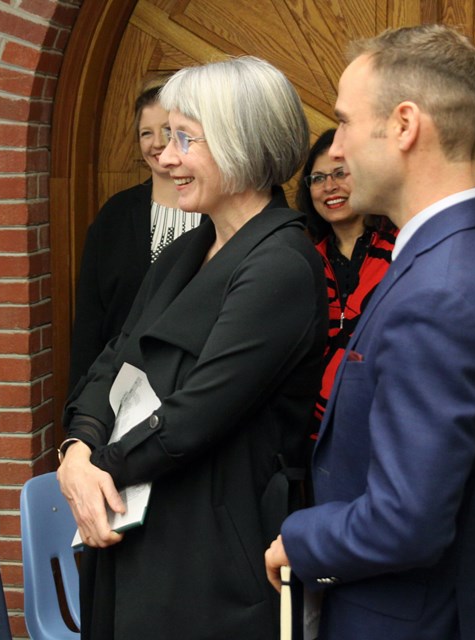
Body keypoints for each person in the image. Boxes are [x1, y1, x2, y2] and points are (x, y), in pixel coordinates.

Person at [265, 25, 475, 640]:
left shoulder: (437, 293)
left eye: (343, 121)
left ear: (404, 125)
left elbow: (405, 523)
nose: (334, 148)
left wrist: (300, 539)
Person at [57, 57, 326, 639]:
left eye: (185, 139)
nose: (166, 156)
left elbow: (193, 416)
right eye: (166, 136)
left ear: (241, 144)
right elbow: (115, 358)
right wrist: (77, 447)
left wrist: (94, 468)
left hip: (210, 561)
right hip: (136, 531)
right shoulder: (190, 248)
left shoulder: (281, 265)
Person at [68, 82, 201, 393]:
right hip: (121, 386)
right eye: (146, 133)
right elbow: (90, 319)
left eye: (168, 130)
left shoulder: (215, 210)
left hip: (197, 385)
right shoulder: (115, 216)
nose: (157, 143)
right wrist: (80, 407)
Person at [295, 129, 396, 432]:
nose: (329, 187)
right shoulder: (303, 261)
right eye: (318, 178)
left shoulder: (401, 249)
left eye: (341, 174)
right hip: (315, 436)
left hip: (386, 428)